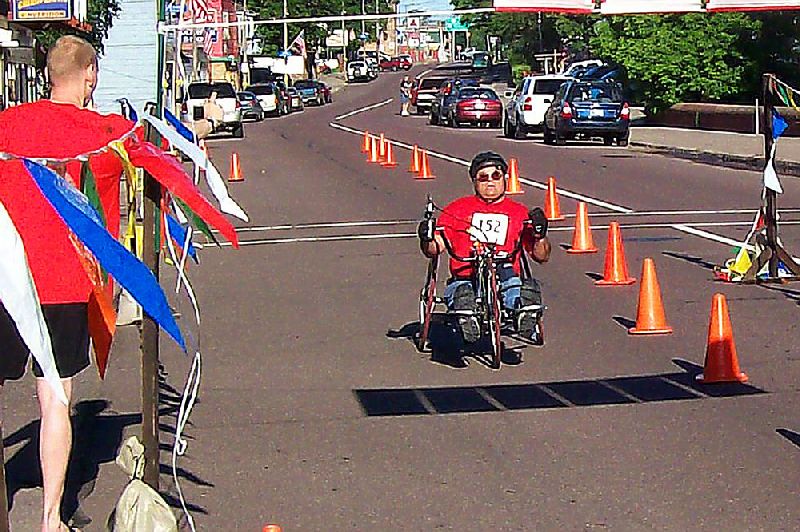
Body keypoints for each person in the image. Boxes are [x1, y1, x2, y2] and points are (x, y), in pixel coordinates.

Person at [0, 35, 136, 532]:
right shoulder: (104, 133)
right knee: (54, 396)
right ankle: (51, 517)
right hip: (63, 286)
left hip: (6, 281)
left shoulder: (7, 125)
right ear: (91, 75)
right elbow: (157, 151)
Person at [418, 151, 551, 344]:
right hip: (465, 275)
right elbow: (434, 249)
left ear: (505, 179)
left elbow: (542, 256)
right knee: (463, 293)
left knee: (517, 289)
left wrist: (540, 235)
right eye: (483, 177)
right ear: (474, 181)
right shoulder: (457, 209)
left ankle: (523, 313)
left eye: (496, 176)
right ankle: (467, 316)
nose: (490, 182)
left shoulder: (519, 211)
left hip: (505, 275)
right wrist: (426, 237)